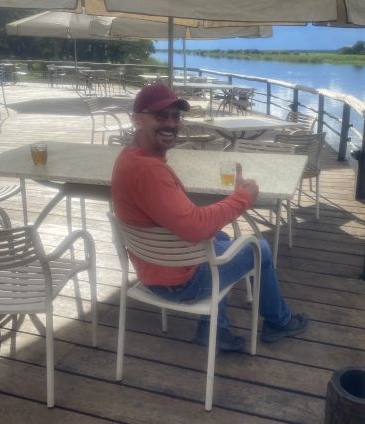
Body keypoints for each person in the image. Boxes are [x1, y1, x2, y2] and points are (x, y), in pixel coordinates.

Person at [111, 82, 308, 352]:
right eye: (160, 116)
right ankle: (279, 322)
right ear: (136, 120)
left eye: (175, 116)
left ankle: (214, 329)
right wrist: (243, 197)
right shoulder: (149, 172)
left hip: (150, 270)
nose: (171, 123)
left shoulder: (129, 158)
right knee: (259, 248)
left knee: (222, 236)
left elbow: (188, 222)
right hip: (178, 284)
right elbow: (194, 228)